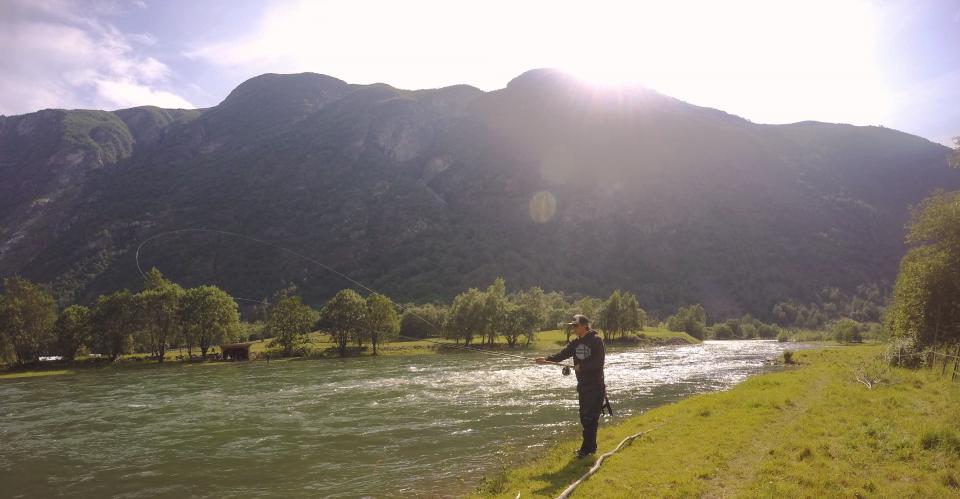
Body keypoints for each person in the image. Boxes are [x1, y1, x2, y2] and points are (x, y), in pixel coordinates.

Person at [536, 314, 607, 459]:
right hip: (583, 386)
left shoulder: (596, 341)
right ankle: (589, 448)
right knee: (584, 417)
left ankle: (587, 450)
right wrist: (546, 360)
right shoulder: (575, 343)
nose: (573, 329)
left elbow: (598, 363)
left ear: (584, 325)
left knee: (590, 418)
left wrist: (582, 367)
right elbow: (562, 354)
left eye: (575, 326)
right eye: (572, 326)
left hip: (595, 386)